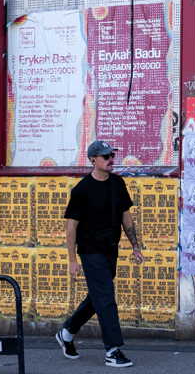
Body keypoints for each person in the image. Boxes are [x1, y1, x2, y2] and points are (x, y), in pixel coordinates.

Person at [55, 140, 144, 368]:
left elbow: (126, 217)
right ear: (93, 160)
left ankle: (67, 332)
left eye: (112, 155)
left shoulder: (117, 183)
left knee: (97, 296)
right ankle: (112, 351)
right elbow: (71, 227)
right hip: (89, 250)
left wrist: (135, 246)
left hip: (110, 249)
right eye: (106, 156)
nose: (111, 159)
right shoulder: (82, 190)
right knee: (106, 297)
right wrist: (72, 260)